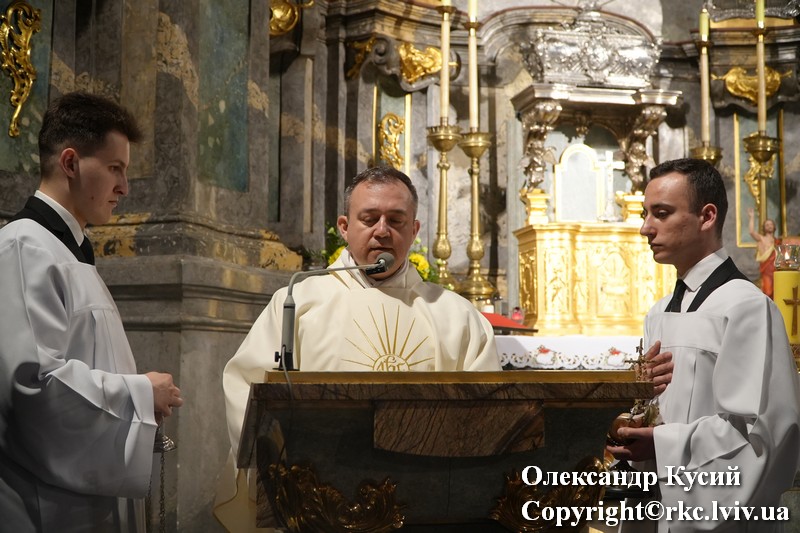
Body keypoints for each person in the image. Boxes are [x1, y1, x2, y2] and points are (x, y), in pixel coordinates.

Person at [0, 92, 183, 532]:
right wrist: (140, 394)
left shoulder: (67, 250)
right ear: (70, 162)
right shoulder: (24, 246)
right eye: (115, 168)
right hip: (45, 507)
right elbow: (32, 386)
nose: (125, 188)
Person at [607, 158, 800, 532]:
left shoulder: (745, 307)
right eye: (646, 214)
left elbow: (761, 434)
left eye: (662, 213)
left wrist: (662, 445)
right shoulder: (659, 311)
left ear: (707, 216)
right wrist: (635, 416)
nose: (645, 228)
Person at [747, 207, 779, 298]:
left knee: (777, 291)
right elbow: (751, 232)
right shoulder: (762, 239)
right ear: (764, 228)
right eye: (767, 225)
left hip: (776, 271)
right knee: (768, 292)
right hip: (767, 271)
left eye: (771, 224)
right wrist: (752, 217)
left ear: (774, 227)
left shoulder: (778, 241)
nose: (769, 226)